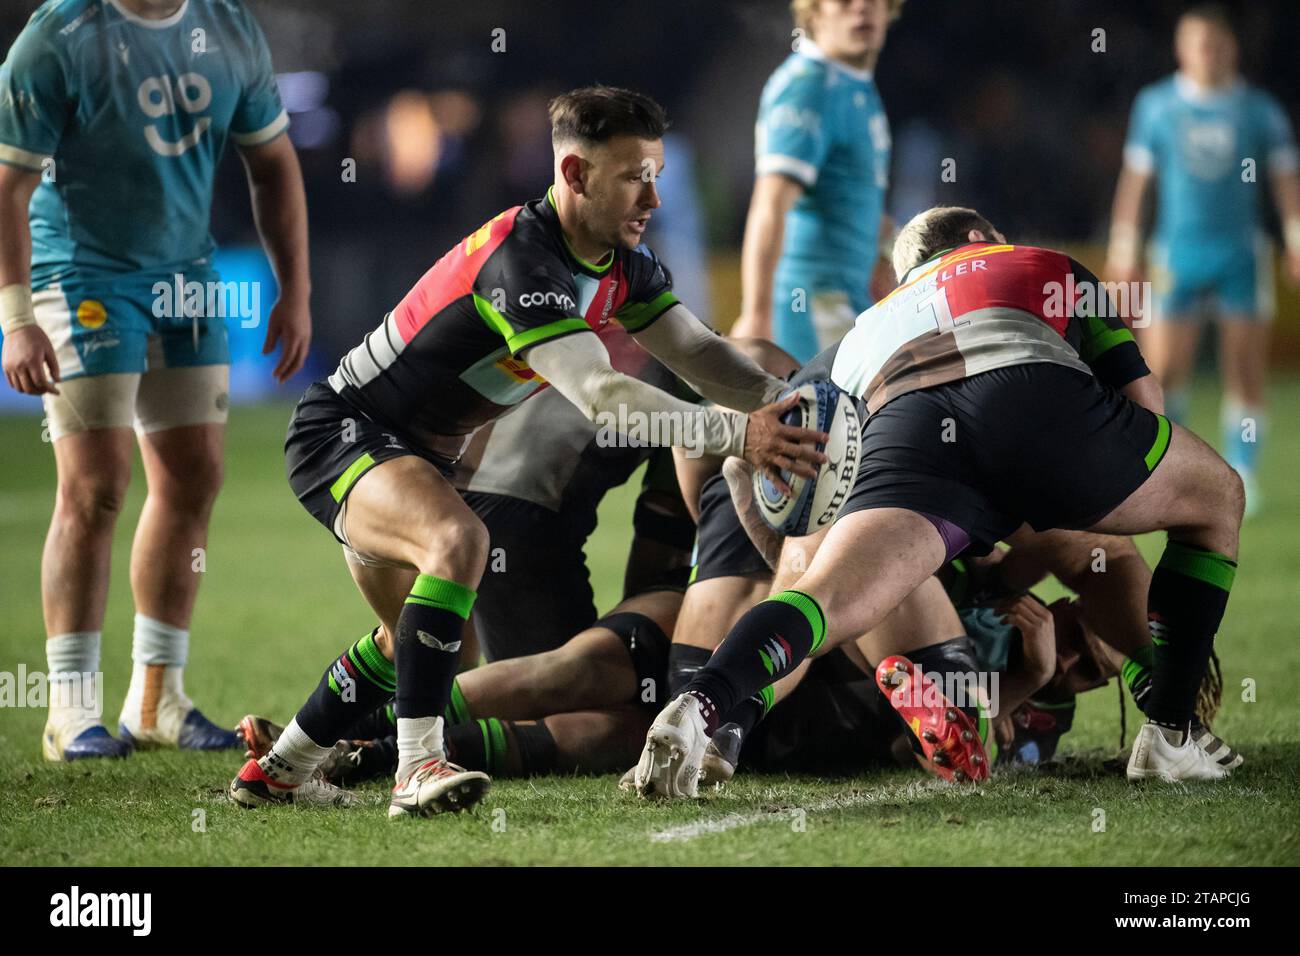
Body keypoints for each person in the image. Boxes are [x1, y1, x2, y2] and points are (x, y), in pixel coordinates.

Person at [228, 85, 827, 819]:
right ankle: (416, 769)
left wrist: (782, 403)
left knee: (411, 649)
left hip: (421, 455)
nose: (653, 198)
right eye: (634, 176)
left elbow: (699, 352)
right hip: (347, 432)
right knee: (458, 541)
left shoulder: (619, 263)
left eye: (656, 175)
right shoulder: (522, 260)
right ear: (575, 176)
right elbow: (604, 398)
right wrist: (746, 433)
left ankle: (281, 767)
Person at [635, 205, 1246, 798]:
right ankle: (1170, 725)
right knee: (1211, 498)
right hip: (1031, 399)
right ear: (981, 235)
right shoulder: (1036, 260)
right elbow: (1145, 410)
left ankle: (700, 705)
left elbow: (792, 488)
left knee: (820, 600)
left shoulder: (867, 328)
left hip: (908, 435)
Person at [0, 0, 311, 761]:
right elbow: (6, 184)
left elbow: (273, 162)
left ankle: (156, 697)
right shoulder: (60, 34)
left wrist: (294, 290)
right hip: (80, 275)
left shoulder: (228, 25)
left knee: (195, 477)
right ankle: (69, 710)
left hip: (188, 278)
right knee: (96, 484)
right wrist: (15, 315)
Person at [1105, 3, 1300, 514]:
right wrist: (1126, 248)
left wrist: (1296, 238)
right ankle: (1177, 467)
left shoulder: (1259, 109)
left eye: (1216, 44)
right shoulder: (1157, 106)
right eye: (1198, 45)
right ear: (1181, 50)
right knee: (1163, 369)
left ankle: (1245, 473)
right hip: (1177, 253)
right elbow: (1136, 182)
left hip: (1241, 253)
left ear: (1230, 48)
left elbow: (1283, 180)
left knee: (1245, 366)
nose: (1209, 54)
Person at [730, 0, 900, 361]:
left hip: (847, 300)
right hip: (812, 306)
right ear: (814, 12)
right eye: (843, 1)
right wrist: (757, 315)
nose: (862, 9)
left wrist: (894, 249)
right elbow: (770, 204)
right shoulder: (808, 87)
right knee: (822, 415)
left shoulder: (856, 87)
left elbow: (851, 201)